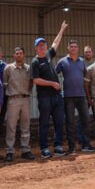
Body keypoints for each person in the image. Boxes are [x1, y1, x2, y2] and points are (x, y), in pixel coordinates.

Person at [32, 20, 69, 158]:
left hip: (57, 96)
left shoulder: (48, 55)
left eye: (43, 45)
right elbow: (36, 80)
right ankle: (44, 148)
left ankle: (58, 146)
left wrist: (62, 29)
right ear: (35, 48)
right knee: (44, 123)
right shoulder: (35, 62)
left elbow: (56, 42)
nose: (41, 47)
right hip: (45, 97)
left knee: (59, 121)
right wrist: (52, 83)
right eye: (39, 46)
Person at [56, 39, 95, 153]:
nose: (73, 48)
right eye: (71, 46)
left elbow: (85, 77)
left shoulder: (82, 61)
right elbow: (54, 74)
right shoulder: (62, 61)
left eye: (75, 46)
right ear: (68, 48)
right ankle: (71, 147)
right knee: (70, 122)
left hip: (82, 95)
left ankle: (86, 144)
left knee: (85, 120)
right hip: (68, 97)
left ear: (78, 49)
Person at [3, 46, 36, 162]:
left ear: (24, 55)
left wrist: (27, 92)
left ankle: (25, 150)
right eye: (16, 53)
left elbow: (32, 82)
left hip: (25, 99)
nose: (19, 55)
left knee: (25, 125)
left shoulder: (29, 69)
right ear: (14, 56)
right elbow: (5, 83)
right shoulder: (8, 69)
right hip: (13, 99)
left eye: (21, 53)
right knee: (11, 126)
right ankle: (9, 151)